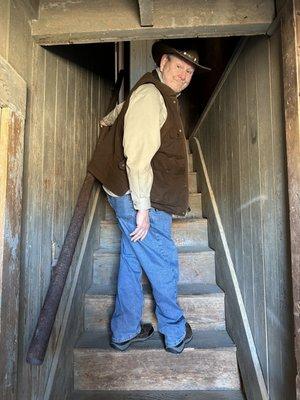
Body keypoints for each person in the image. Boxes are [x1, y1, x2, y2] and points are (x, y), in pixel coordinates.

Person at [88, 40, 211, 354]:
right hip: (138, 196)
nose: (184, 75)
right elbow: (138, 158)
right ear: (164, 61)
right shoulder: (151, 95)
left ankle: (124, 330)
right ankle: (174, 331)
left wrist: (110, 121)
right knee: (163, 260)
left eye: (190, 72)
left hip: (132, 193)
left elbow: (120, 112)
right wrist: (142, 208)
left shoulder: (152, 92)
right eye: (180, 67)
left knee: (132, 259)